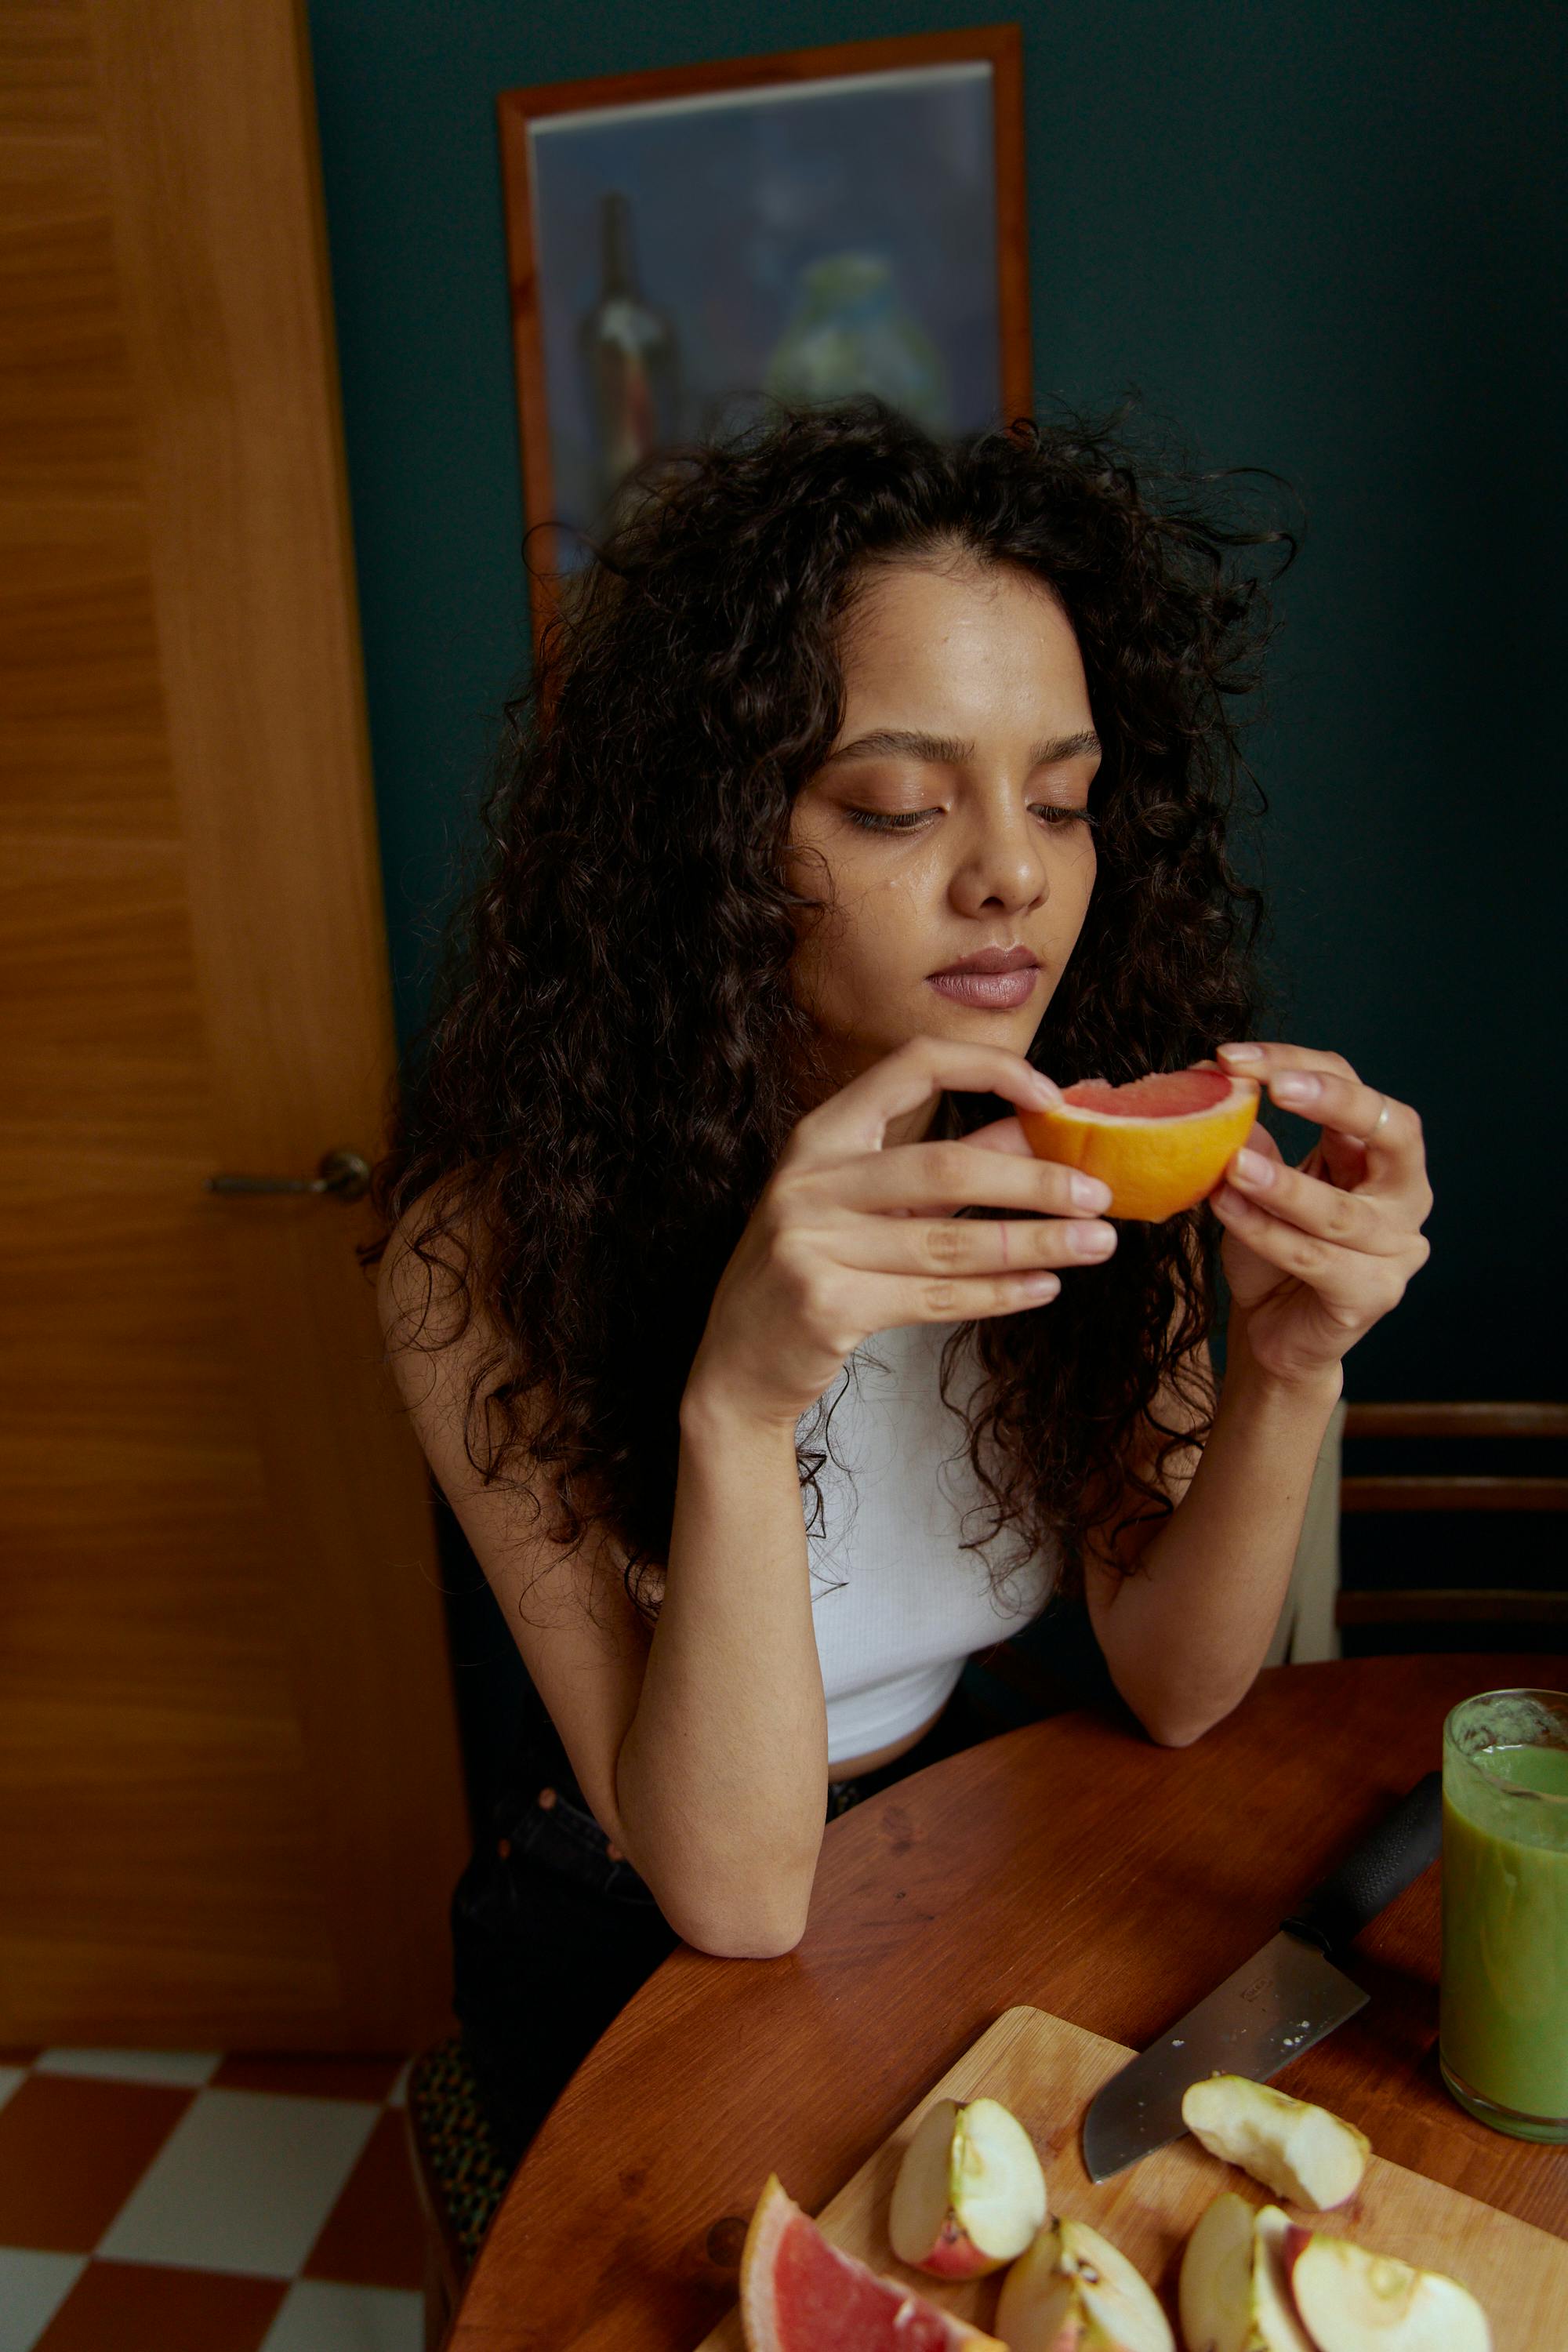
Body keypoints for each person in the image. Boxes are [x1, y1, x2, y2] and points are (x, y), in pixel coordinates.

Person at [368, 399, 1432, 2170]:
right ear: (711, 846)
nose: (1013, 867)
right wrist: (741, 1394)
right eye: (893, 803)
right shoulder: (475, 1255)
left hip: (978, 1822)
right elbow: (732, 1890)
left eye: (1068, 799)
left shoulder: (1103, 1161)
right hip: (648, 1912)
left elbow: (1175, 1685)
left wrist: (1291, 1368)